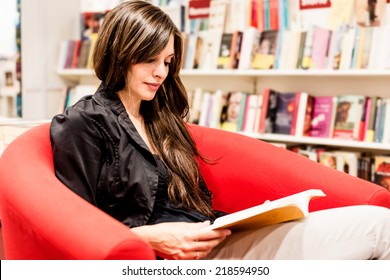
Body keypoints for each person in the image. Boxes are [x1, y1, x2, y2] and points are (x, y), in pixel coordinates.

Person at [50, 0, 390, 260]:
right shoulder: (85, 123)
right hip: (177, 258)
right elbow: (70, 227)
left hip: (214, 240)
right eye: (149, 59)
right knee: (378, 228)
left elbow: (194, 202)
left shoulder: (161, 118)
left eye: (167, 61)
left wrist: (255, 219)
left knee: (374, 228)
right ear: (120, 53)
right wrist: (150, 237)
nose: (161, 73)